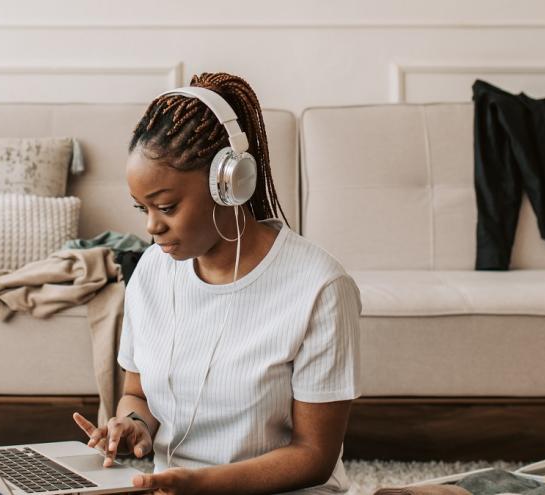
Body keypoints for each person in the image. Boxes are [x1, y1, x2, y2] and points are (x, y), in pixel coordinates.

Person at [72, 72, 361, 494]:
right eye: (142, 208)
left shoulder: (320, 287)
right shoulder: (152, 270)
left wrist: (201, 484)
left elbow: (313, 456)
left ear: (229, 184)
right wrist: (134, 426)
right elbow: (137, 392)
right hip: (170, 488)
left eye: (167, 206)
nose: (153, 227)